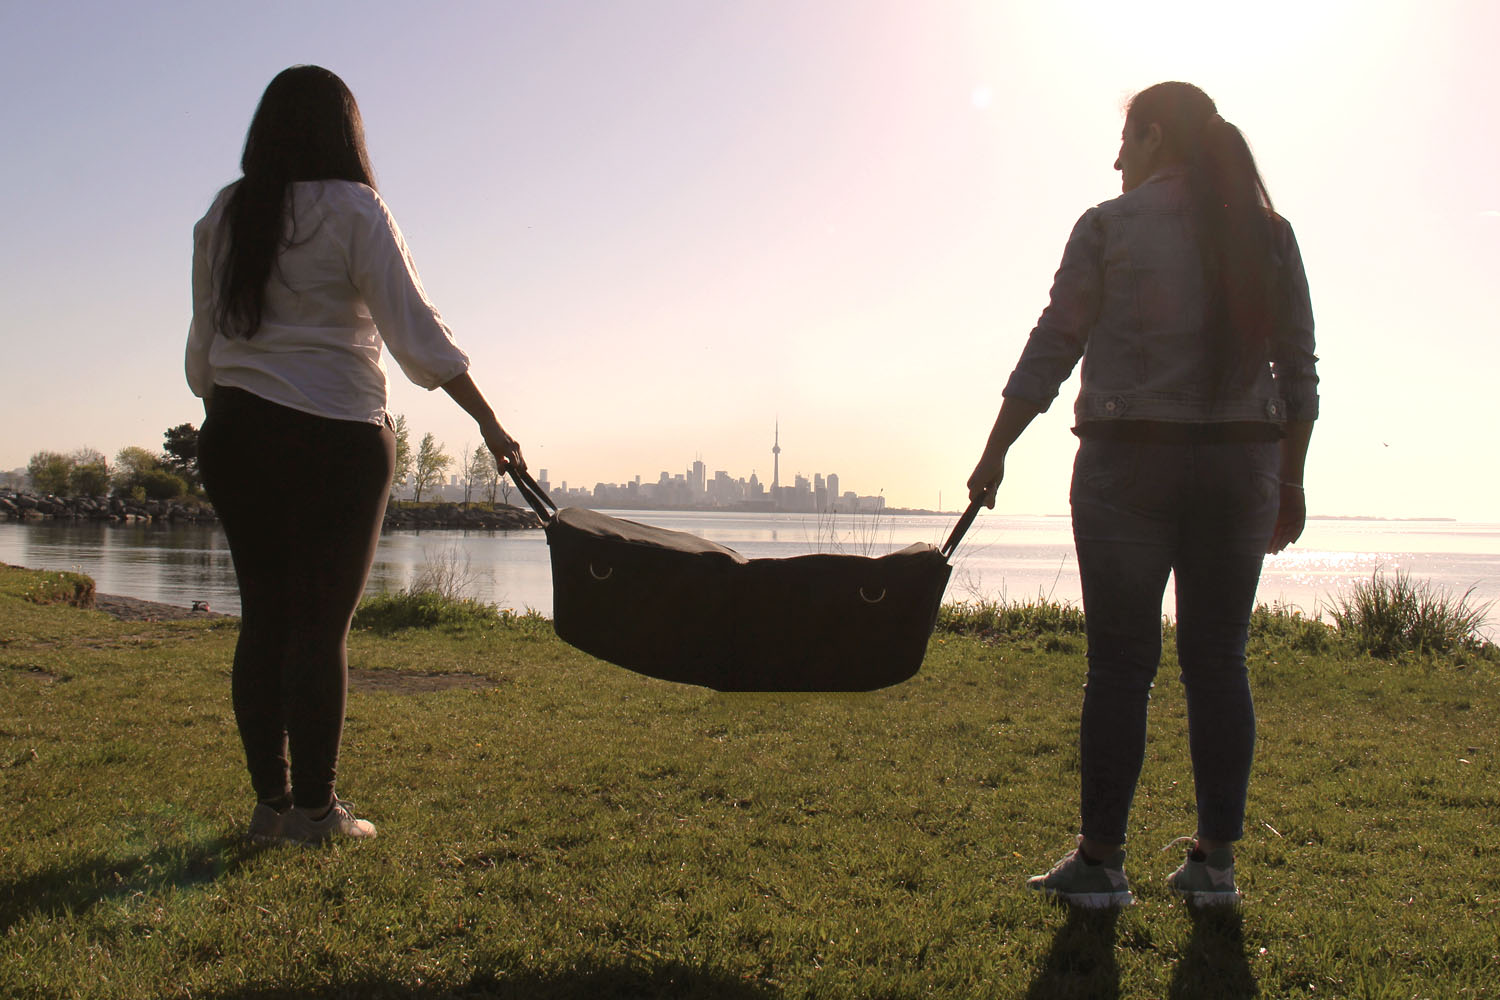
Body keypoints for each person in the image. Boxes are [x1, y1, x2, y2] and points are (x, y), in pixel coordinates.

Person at [966, 82, 1317, 907]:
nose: (1117, 159)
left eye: (1126, 140)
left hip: (1129, 465)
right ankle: (1216, 870)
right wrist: (1291, 478)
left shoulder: (1108, 226)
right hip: (1243, 464)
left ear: (1155, 137)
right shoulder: (1270, 235)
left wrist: (995, 450)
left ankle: (1100, 865)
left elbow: (1054, 344)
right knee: (1219, 661)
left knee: (1120, 668)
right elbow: (1297, 370)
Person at [187, 65, 526, 846]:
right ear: (346, 132)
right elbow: (418, 334)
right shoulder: (354, 209)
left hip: (236, 432)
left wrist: (231, 410)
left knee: (264, 619)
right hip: (336, 437)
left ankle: (270, 810)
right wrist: (490, 424)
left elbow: (203, 347)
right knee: (319, 629)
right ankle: (317, 813)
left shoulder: (226, 212)